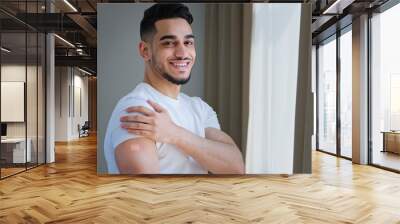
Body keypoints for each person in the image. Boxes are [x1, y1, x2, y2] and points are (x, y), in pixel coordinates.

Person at [104, 3, 244, 174]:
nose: (182, 53)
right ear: (145, 50)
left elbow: (236, 167)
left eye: (188, 42)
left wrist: (174, 134)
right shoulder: (136, 111)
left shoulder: (199, 107)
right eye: (169, 43)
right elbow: (146, 195)